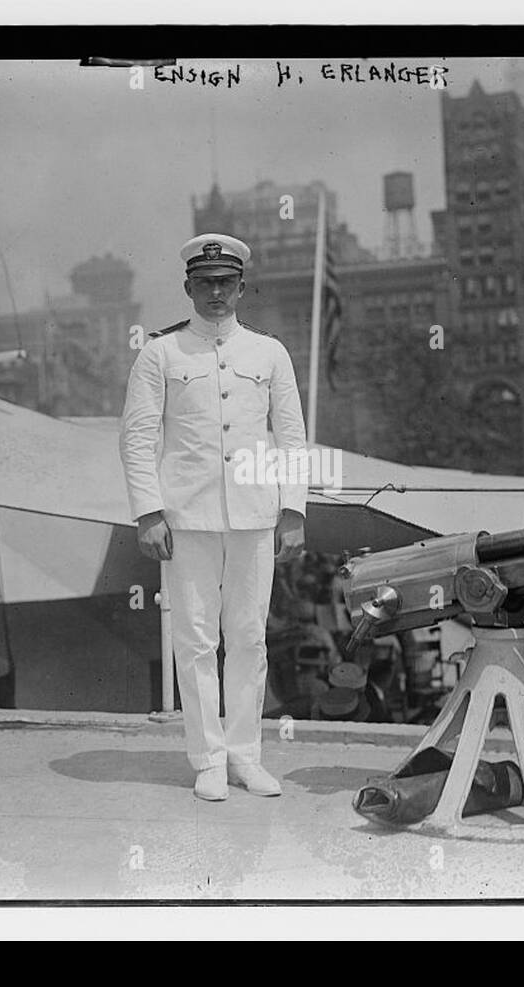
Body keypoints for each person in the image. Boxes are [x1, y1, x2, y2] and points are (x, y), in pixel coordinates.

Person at [119, 233, 308, 801]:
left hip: (254, 513)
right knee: (195, 640)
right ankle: (207, 759)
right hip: (187, 516)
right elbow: (136, 437)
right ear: (188, 288)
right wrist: (148, 511)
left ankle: (246, 755)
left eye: (227, 282)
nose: (217, 292)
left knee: (249, 638)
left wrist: (293, 510)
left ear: (242, 287)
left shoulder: (269, 353)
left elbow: (292, 437)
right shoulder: (161, 353)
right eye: (206, 283)